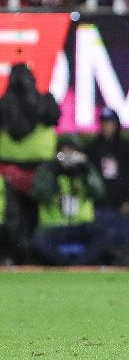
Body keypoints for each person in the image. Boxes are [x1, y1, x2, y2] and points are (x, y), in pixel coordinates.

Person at [0, 63, 60, 263]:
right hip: (39, 167)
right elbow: (54, 117)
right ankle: (32, 256)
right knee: (36, 215)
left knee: (14, 217)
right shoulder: (44, 101)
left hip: (9, 169)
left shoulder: (4, 104)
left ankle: (16, 256)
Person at [30, 136, 109, 265]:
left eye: (71, 152)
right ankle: (65, 264)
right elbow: (39, 193)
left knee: (103, 235)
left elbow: (99, 192)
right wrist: (52, 172)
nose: (67, 156)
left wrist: (86, 170)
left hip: (81, 225)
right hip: (54, 226)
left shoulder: (85, 171)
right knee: (38, 241)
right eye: (63, 152)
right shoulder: (48, 170)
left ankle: (80, 264)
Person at [85, 107, 129, 265]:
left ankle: (124, 261)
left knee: (123, 235)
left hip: (121, 205)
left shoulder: (127, 149)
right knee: (100, 236)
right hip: (99, 205)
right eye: (104, 123)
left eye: (110, 123)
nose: (107, 127)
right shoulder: (93, 149)